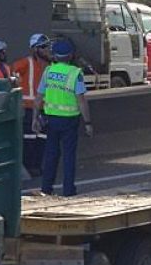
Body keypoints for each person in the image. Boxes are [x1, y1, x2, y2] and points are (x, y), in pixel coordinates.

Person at [32, 40, 93, 197]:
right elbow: (81, 100)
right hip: (70, 120)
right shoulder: (75, 74)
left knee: (51, 154)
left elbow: (38, 97)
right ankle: (68, 190)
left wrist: (35, 118)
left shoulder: (49, 72)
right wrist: (88, 122)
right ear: (71, 55)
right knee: (68, 156)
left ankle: (46, 188)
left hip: (51, 119)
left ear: (55, 56)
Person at [12, 34, 52, 177]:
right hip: (28, 107)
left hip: (44, 108)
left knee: (42, 138)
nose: (47, 50)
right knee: (29, 139)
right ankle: (29, 166)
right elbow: (12, 74)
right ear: (35, 49)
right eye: (43, 47)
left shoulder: (50, 66)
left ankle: (37, 165)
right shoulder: (26, 63)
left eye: (48, 46)